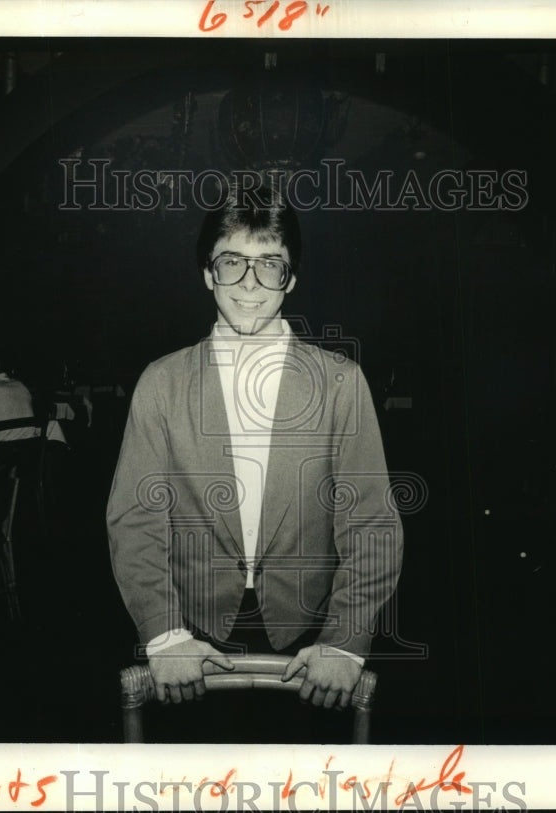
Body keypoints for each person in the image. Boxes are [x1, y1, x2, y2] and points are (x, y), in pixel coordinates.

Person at [106, 184, 403, 725]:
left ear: (290, 279)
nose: (249, 283)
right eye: (231, 263)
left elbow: (371, 521)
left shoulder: (340, 382)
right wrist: (165, 633)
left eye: (269, 264)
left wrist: (345, 639)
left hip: (309, 633)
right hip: (191, 633)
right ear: (206, 274)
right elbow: (135, 520)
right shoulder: (161, 382)